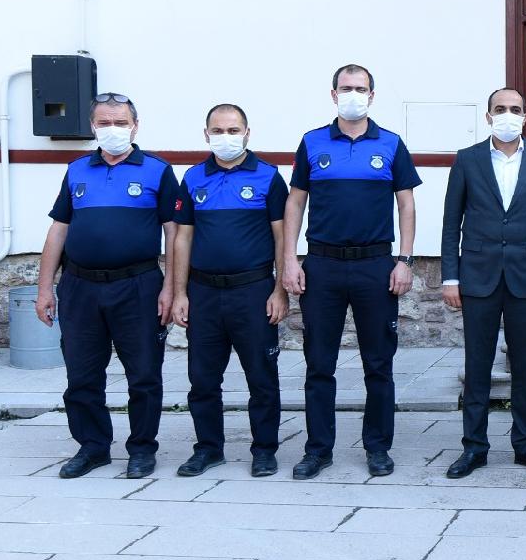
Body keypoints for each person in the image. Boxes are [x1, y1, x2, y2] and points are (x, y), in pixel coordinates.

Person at [280, 65, 421, 480]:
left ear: (372, 96)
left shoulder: (391, 144)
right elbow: (295, 203)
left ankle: (377, 448)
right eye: (346, 88)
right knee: (318, 364)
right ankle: (317, 450)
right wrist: (289, 259)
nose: (353, 94)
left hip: (375, 265)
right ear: (333, 94)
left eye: (360, 88)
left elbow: (407, 205)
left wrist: (405, 261)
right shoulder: (312, 142)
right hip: (322, 265)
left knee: (378, 364)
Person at [34, 94, 178, 479]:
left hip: (138, 286)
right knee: (81, 375)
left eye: (120, 122)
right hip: (80, 288)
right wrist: (45, 288)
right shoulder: (77, 170)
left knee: (144, 375)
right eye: (104, 123)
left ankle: (142, 449)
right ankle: (93, 447)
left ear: (135, 126)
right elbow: (58, 230)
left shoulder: (158, 171)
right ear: (92, 127)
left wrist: (172, 288)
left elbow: (174, 234)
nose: (112, 129)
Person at [441, 88, 526, 478]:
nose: (507, 114)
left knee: (525, 365)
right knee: (477, 365)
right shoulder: (467, 159)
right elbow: (451, 223)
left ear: (525, 116)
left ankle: (525, 445)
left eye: (515, 109)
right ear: (488, 116)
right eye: (500, 109)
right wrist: (450, 277)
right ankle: (474, 447)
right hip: (477, 276)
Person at [171, 104, 289, 478]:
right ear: (206, 134)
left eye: (233, 130)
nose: (226, 137)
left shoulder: (269, 177)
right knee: (202, 379)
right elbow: (182, 238)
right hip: (203, 293)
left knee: (262, 377)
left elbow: (282, 237)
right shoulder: (193, 178)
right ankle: (208, 449)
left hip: (252, 292)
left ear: (247, 133)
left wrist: (280, 290)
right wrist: (179, 293)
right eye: (218, 131)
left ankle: (264, 450)